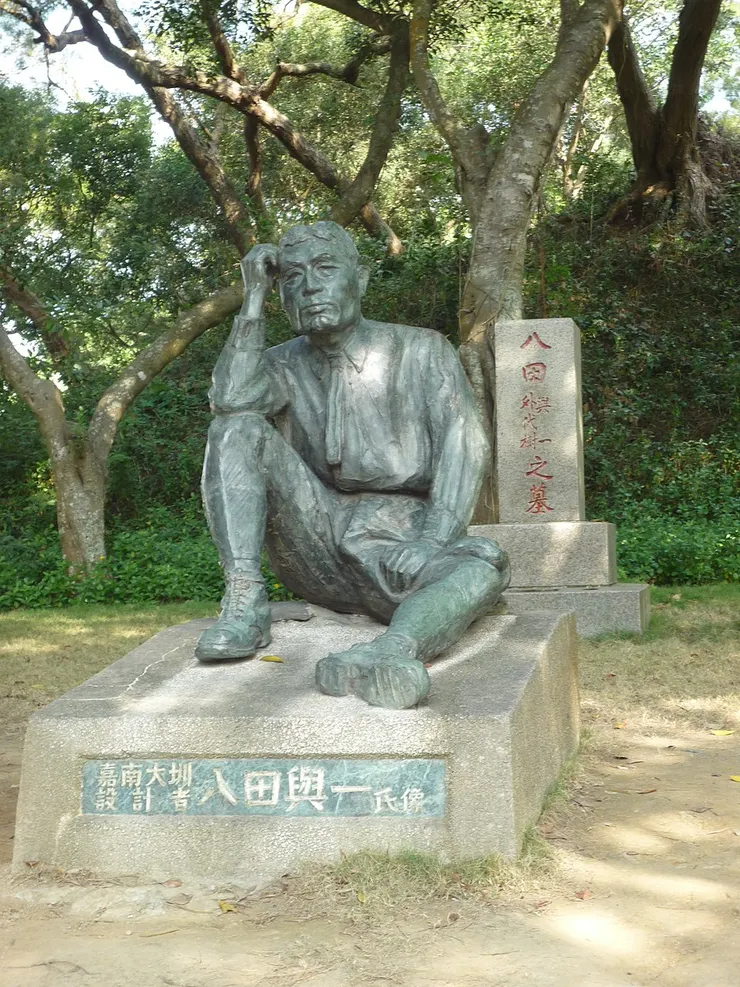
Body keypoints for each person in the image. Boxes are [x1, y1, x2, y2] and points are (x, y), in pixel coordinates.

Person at [197, 221, 510, 709]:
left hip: (400, 542)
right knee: (237, 427)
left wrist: (433, 538)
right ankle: (244, 601)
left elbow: (463, 443)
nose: (311, 286)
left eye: (325, 269)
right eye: (293, 277)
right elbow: (230, 401)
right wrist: (252, 299)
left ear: (359, 279)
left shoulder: (422, 348)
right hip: (315, 537)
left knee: (482, 565)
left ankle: (389, 652)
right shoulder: (281, 363)